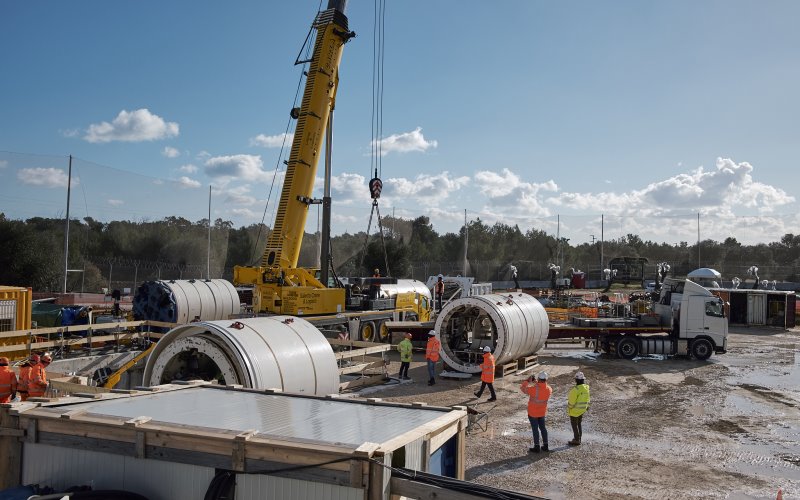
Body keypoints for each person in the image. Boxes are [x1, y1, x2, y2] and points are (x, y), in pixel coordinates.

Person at [521, 371, 552, 453]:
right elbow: (542, 387)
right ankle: (546, 445)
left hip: (533, 413)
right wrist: (535, 382)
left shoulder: (533, 389)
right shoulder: (549, 389)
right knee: (543, 428)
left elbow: (523, 389)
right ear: (546, 379)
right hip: (542, 412)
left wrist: (527, 381)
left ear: (539, 378)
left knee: (535, 429)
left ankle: (537, 446)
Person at [568, 371, 591, 445]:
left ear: (576, 380)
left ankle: (576, 439)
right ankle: (579, 438)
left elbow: (571, 402)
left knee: (574, 425)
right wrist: (587, 407)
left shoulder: (575, 390)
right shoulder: (586, 388)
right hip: (582, 410)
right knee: (579, 424)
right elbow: (588, 399)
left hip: (574, 411)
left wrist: (569, 409)